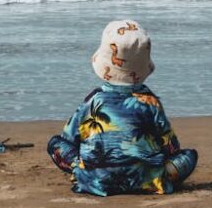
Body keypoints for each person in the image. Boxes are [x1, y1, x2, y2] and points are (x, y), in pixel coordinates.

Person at [47, 20, 198, 196]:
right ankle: (152, 179)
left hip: (95, 180)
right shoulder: (150, 103)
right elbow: (171, 147)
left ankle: (84, 174)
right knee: (189, 156)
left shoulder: (92, 101)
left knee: (55, 144)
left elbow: (69, 139)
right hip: (146, 180)